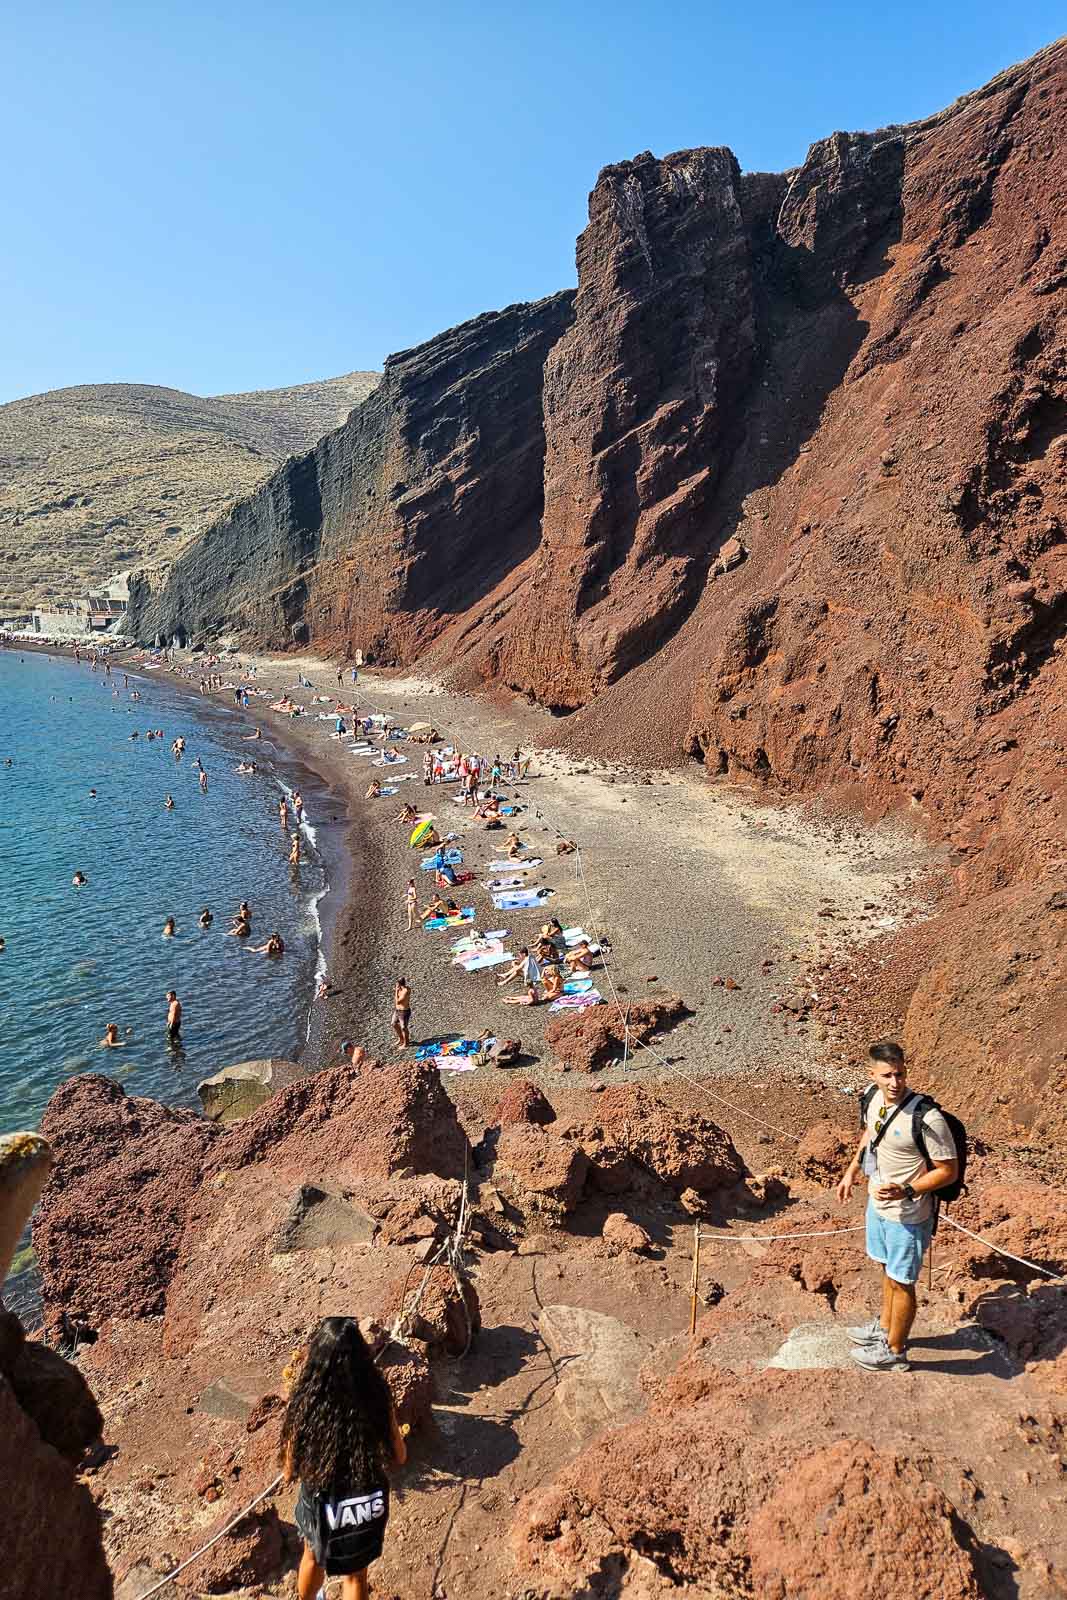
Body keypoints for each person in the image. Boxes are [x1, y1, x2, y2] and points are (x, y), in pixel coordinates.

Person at [836, 1040, 958, 1373]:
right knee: (887, 1271)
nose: (895, 1082)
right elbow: (869, 1136)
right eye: (887, 1075)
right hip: (879, 1205)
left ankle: (895, 1351)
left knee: (902, 1281)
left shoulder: (926, 1117)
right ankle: (885, 1328)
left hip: (909, 1215)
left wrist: (908, 1189)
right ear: (872, 1074)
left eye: (900, 1074)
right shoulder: (873, 1099)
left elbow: (949, 1171)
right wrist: (851, 1172)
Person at [281, 1316, 406, 1600]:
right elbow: (400, 1455)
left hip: (322, 1503)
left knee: (313, 1557)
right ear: (362, 1356)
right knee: (356, 1574)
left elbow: (288, 1472)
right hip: (366, 1501)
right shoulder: (377, 1396)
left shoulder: (305, 1403)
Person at [392, 979, 411, 1049]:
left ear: (399, 984)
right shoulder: (400, 989)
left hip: (404, 1011)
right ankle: (401, 1039)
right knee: (393, 1023)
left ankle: (406, 1043)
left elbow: (398, 1002)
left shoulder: (406, 991)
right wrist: (397, 989)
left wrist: (396, 991)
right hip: (397, 1010)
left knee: (403, 1028)